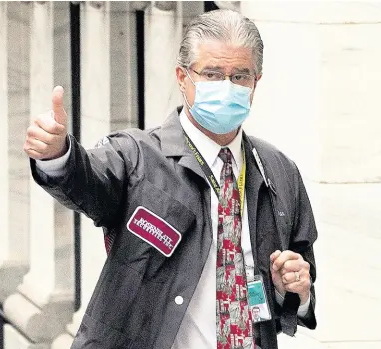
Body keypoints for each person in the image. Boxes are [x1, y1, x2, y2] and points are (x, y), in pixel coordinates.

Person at [23, 9, 317, 349]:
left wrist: (295, 290)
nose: (227, 86)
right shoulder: (137, 157)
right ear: (182, 77)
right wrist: (58, 154)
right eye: (212, 73)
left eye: (240, 76)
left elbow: (298, 291)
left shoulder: (279, 171)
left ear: (256, 82)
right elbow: (89, 181)